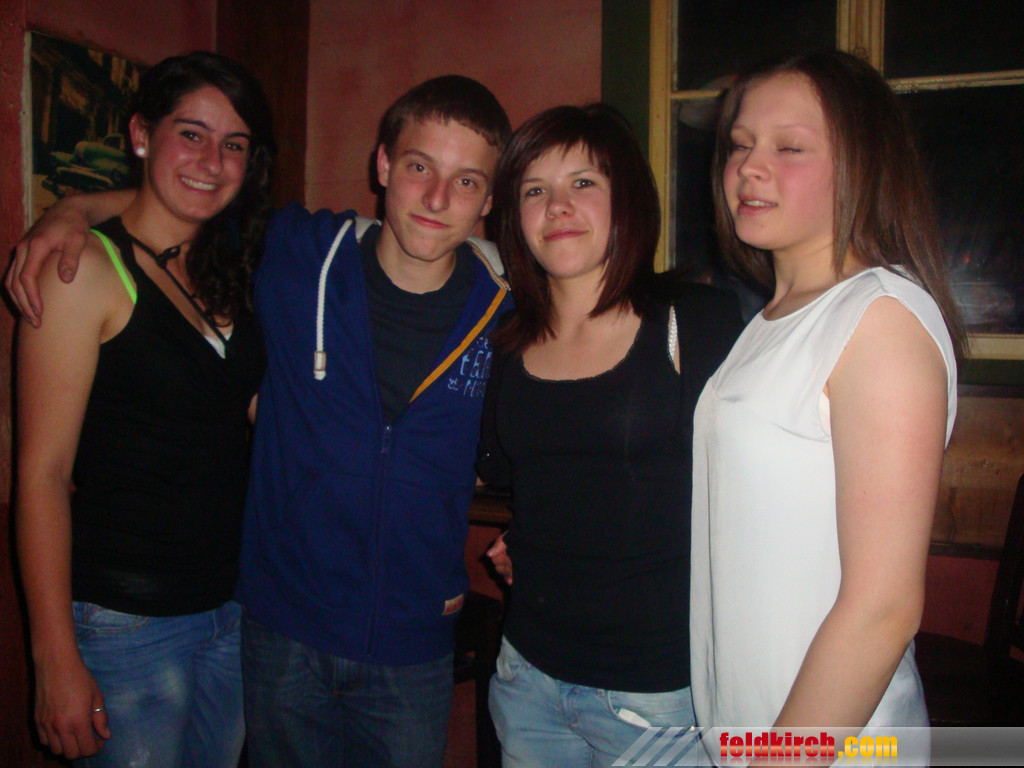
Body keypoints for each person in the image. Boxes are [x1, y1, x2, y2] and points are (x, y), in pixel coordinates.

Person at [9, 75, 513, 768]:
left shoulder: (508, 308)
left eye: (466, 181)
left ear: (489, 199)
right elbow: (181, 202)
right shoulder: (298, 253)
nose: (436, 198)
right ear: (383, 164)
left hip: (407, 646)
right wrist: (70, 211)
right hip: (276, 629)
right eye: (420, 167)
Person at [690, 49, 966, 739]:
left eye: (789, 148)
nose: (749, 167)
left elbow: (884, 609)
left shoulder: (879, 319)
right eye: (741, 144)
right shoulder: (771, 320)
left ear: (862, 168)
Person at [14, 51, 273, 767]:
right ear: (140, 134)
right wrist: (53, 657)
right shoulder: (83, 270)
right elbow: (42, 475)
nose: (212, 161)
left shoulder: (226, 265)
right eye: (190, 134)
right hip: (126, 621)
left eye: (233, 144)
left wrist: (74, 202)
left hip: (232, 607)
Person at [476, 104, 743, 767]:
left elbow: (754, 492)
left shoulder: (694, 322)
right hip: (527, 674)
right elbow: (517, 477)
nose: (557, 206)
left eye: (582, 182)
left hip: (656, 693)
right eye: (534, 190)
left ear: (627, 200)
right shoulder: (508, 340)